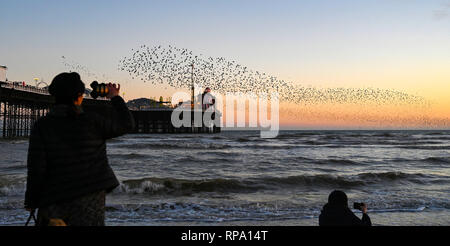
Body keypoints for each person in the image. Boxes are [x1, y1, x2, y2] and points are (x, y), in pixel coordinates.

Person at [24, 72, 134, 226]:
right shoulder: (92, 122)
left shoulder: (42, 126)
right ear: (79, 96)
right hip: (91, 199)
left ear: (54, 95)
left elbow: (36, 167)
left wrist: (31, 200)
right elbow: (127, 124)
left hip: (54, 199)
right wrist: (114, 96)